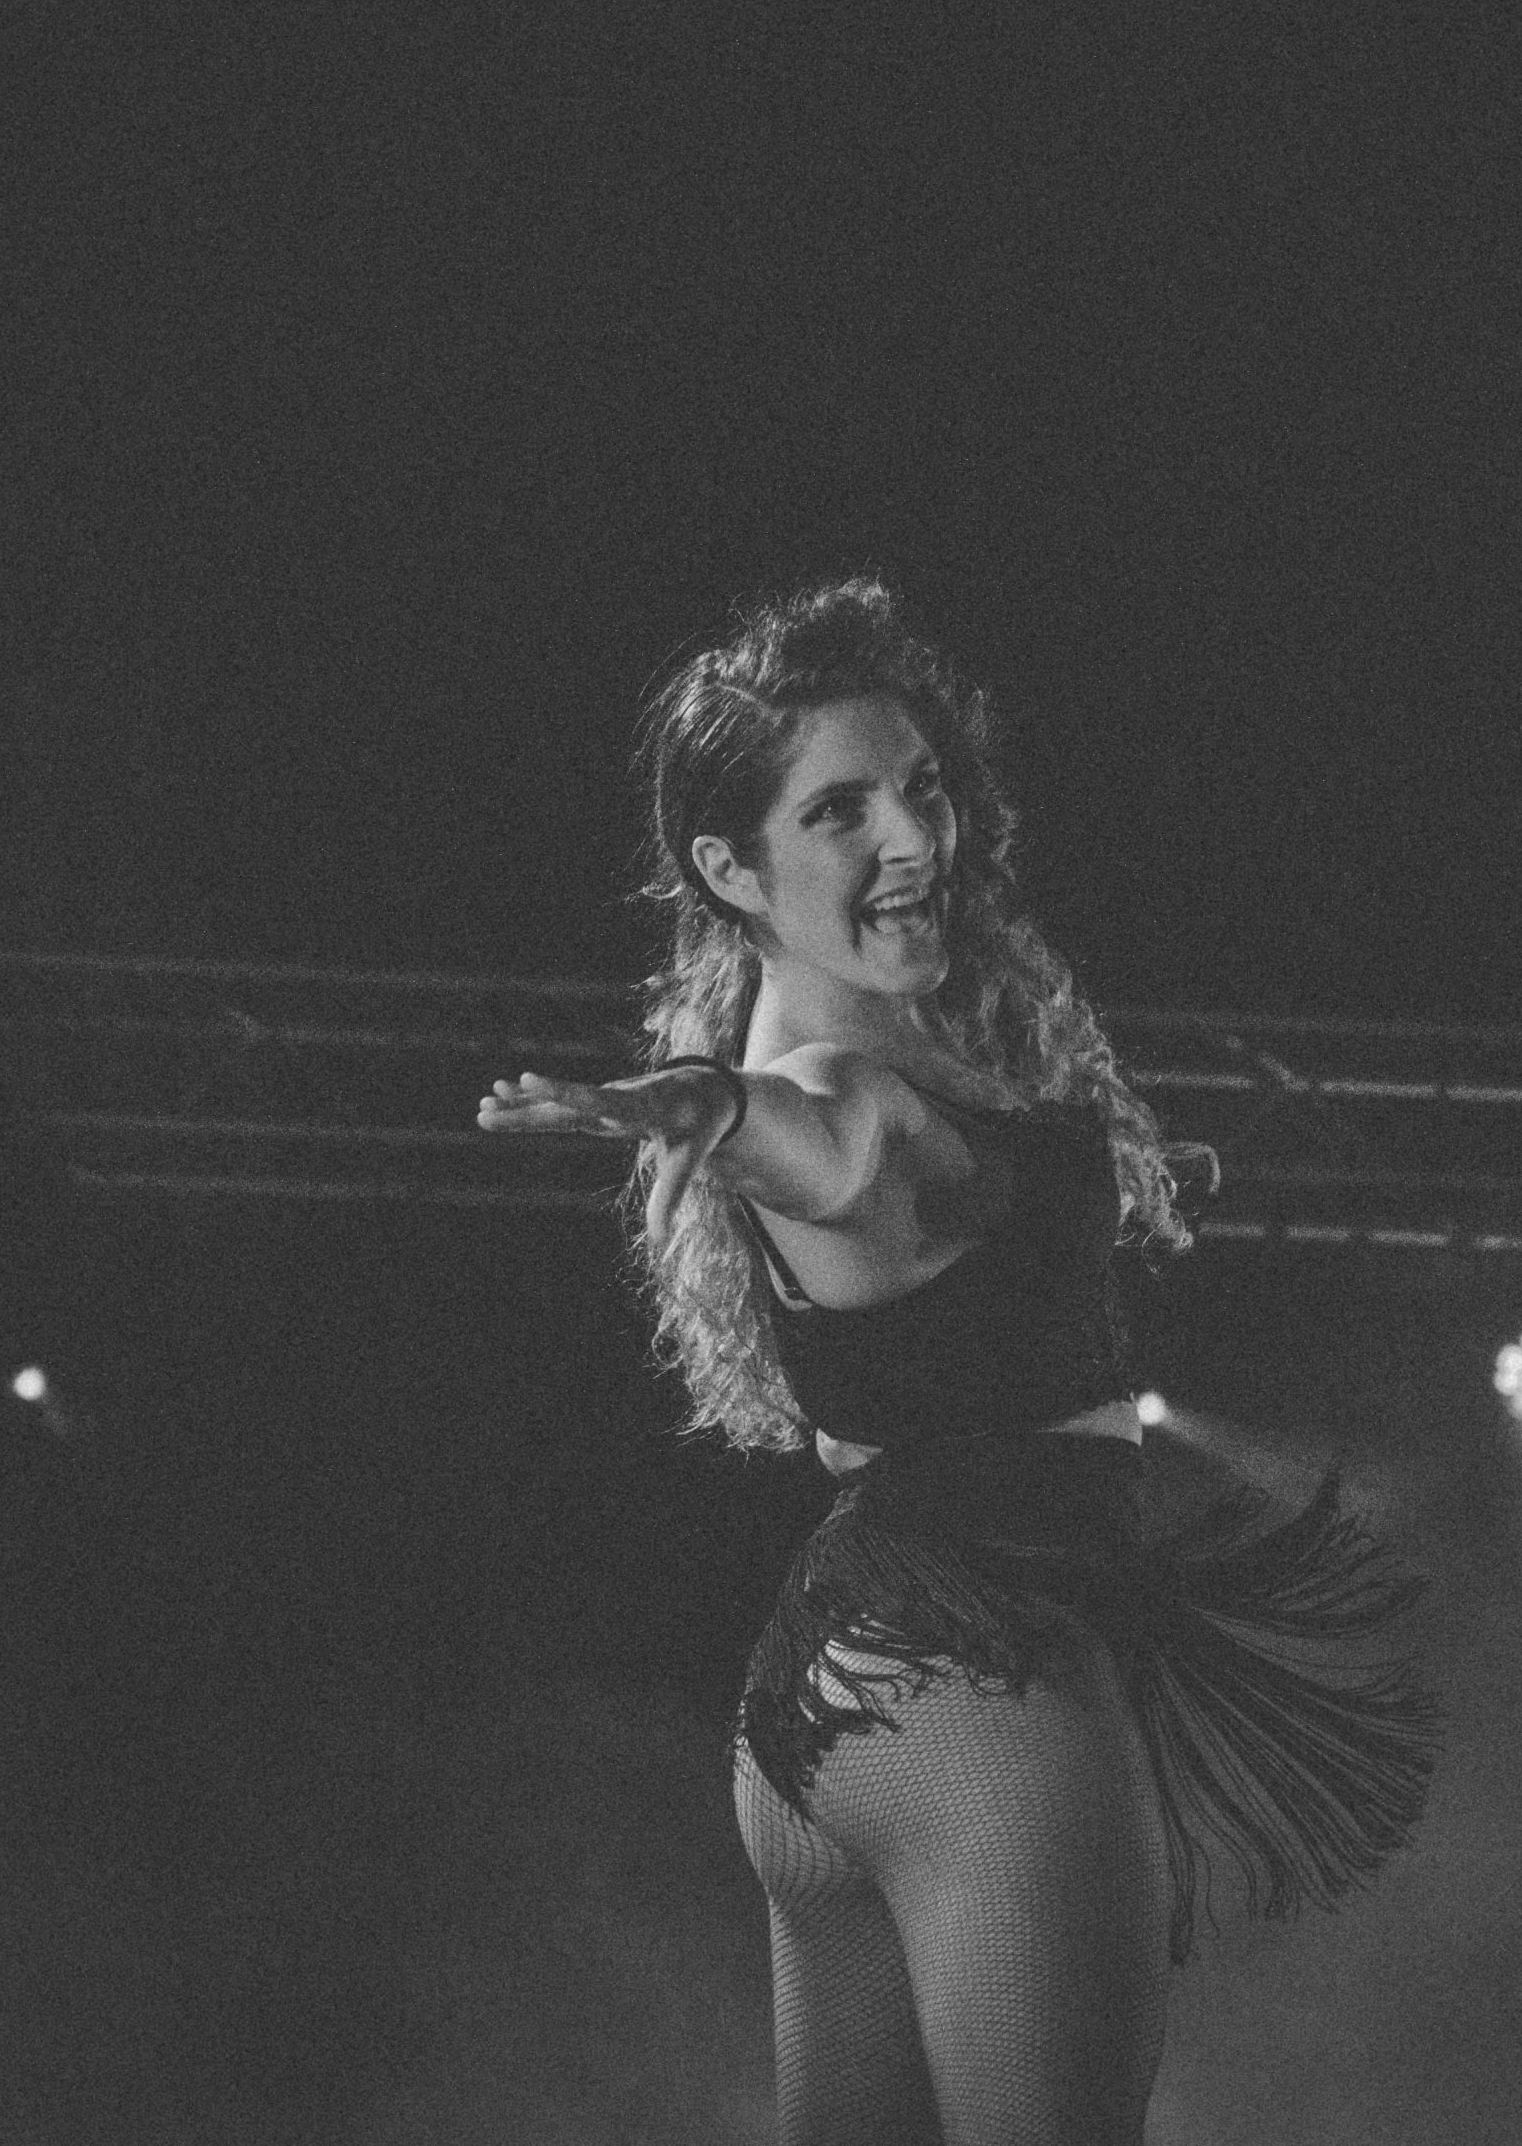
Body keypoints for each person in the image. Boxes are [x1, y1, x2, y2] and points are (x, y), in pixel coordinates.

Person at [477, 578, 1437, 2146]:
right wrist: (688, 1109)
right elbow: (806, 1135)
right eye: (839, 812)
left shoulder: (904, 1045)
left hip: (825, 1700)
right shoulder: (831, 1084)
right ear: (729, 869)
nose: (913, 838)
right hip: (974, 1681)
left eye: (920, 789)